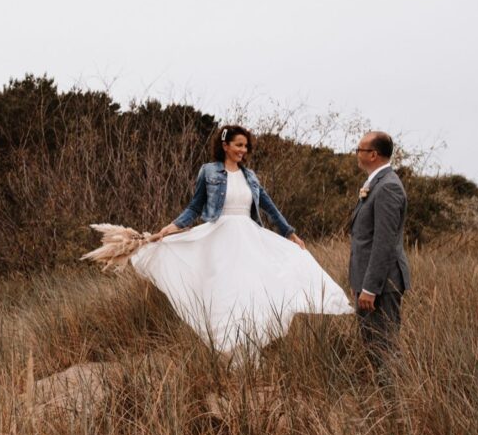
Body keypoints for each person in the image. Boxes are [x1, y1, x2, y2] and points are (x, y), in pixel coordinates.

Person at [131, 124, 353, 359]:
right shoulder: (209, 172)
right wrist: (171, 228)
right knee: (225, 293)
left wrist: (289, 233)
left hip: (248, 240)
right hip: (219, 238)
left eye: (246, 146)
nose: (243, 150)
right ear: (225, 145)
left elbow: (270, 208)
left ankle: (248, 353)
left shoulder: (251, 177)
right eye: (238, 145)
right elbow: (195, 207)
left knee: (250, 292)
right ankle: (227, 350)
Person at [349, 131, 411, 379]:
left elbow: (384, 242)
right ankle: (384, 395)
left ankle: (396, 398)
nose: (356, 154)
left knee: (384, 347)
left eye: (359, 150)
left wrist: (370, 288)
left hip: (381, 285)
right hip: (370, 281)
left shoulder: (388, 187)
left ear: (373, 154)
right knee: (373, 346)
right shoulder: (376, 183)